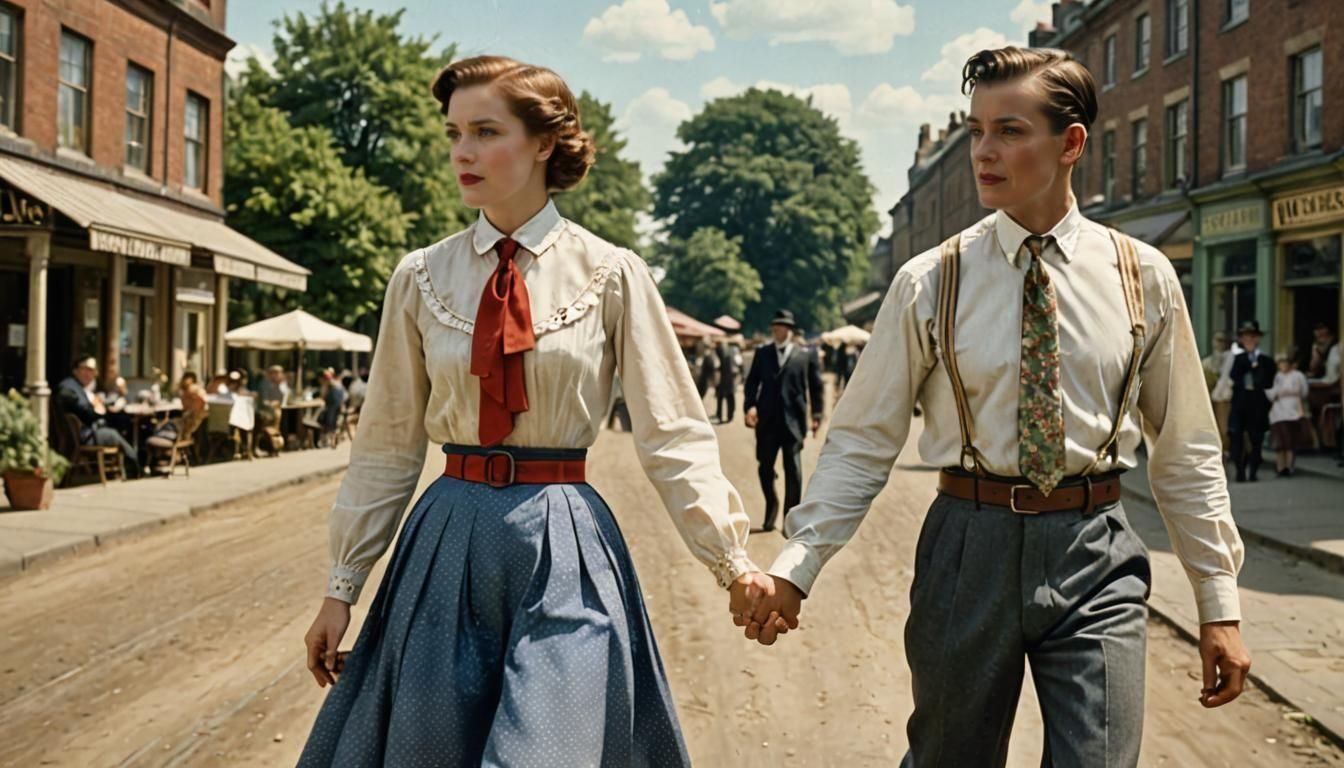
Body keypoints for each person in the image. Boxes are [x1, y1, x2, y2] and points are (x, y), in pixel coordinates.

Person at [736, 47, 1248, 766]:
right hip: (967, 546)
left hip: (1095, 546)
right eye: (977, 130)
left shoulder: (1144, 277)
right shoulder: (929, 280)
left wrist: (1218, 604)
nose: (983, 151)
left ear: (1070, 143)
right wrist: (799, 563)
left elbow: (1188, 448)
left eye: (1009, 131)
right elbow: (861, 440)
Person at [297, 54, 773, 767]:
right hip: (446, 538)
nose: (462, 152)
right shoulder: (419, 278)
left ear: (545, 142)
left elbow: (673, 432)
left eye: (486, 131)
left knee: (548, 751)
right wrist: (342, 587)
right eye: (454, 133)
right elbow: (387, 446)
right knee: (434, 749)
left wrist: (732, 561)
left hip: (564, 544)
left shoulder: (612, 274)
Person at [743, 309, 824, 533]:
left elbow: (816, 387)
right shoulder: (762, 353)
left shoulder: (806, 355)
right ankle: (772, 504)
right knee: (764, 468)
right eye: (774, 326)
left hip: (793, 423)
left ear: (789, 329)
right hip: (767, 422)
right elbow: (752, 383)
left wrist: (817, 415)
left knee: (794, 471)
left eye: (780, 326)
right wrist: (750, 406)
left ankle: (790, 520)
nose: (776, 330)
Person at [55, 357, 141, 477]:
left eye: (92, 371)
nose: (90, 374)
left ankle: (130, 465)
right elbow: (85, 412)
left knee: (122, 424)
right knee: (113, 434)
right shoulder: (68, 386)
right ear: (75, 370)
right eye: (86, 369)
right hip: (86, 435)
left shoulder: (80, 387)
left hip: (89, 430)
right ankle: (134, 466)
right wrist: (96, 408)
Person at [1221, 320, 1275, 482]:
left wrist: (1255, 367)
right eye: (1245, 337)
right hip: (1240, 402)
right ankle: (1240, 470)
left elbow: (1268, 381)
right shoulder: (1237, 358)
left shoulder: (1266, 360)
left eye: (1252, 336)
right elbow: (1232, 377)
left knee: (1256, 438)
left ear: (1257, 339)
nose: (1248, 340)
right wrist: (1249, 363)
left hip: (1257, 404)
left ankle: (1253, 471)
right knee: (1236, 436)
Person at [1267, 352, 1310, 477]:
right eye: (1281, 363)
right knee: (1280, 442)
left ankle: (1289, 466)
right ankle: (1280, 466)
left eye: (1285, 363)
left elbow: (1304, 392)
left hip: (1293, 412)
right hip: (1278, 412)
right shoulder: (1277, 376)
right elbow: (1271, 392)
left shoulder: (1298, 375)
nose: (1283, 365)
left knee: (1290, 442)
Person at [1203, 331, 1236, 456]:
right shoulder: (1207, 361)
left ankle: (1225, 453)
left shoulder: (1232, 358)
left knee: (1223, 429)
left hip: (1224, 399)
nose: (1220, 343)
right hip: (1208, 399)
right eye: (1217, 340)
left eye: (1223, 341)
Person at [715, 338, 740, 423]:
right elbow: (738, 364)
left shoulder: (718, 351)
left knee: (721, 398)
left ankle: (721, 416)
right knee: (729, 397)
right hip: (729, 378)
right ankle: (729, 416)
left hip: (723, 378)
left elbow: (717, 365)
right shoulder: (732, 351)